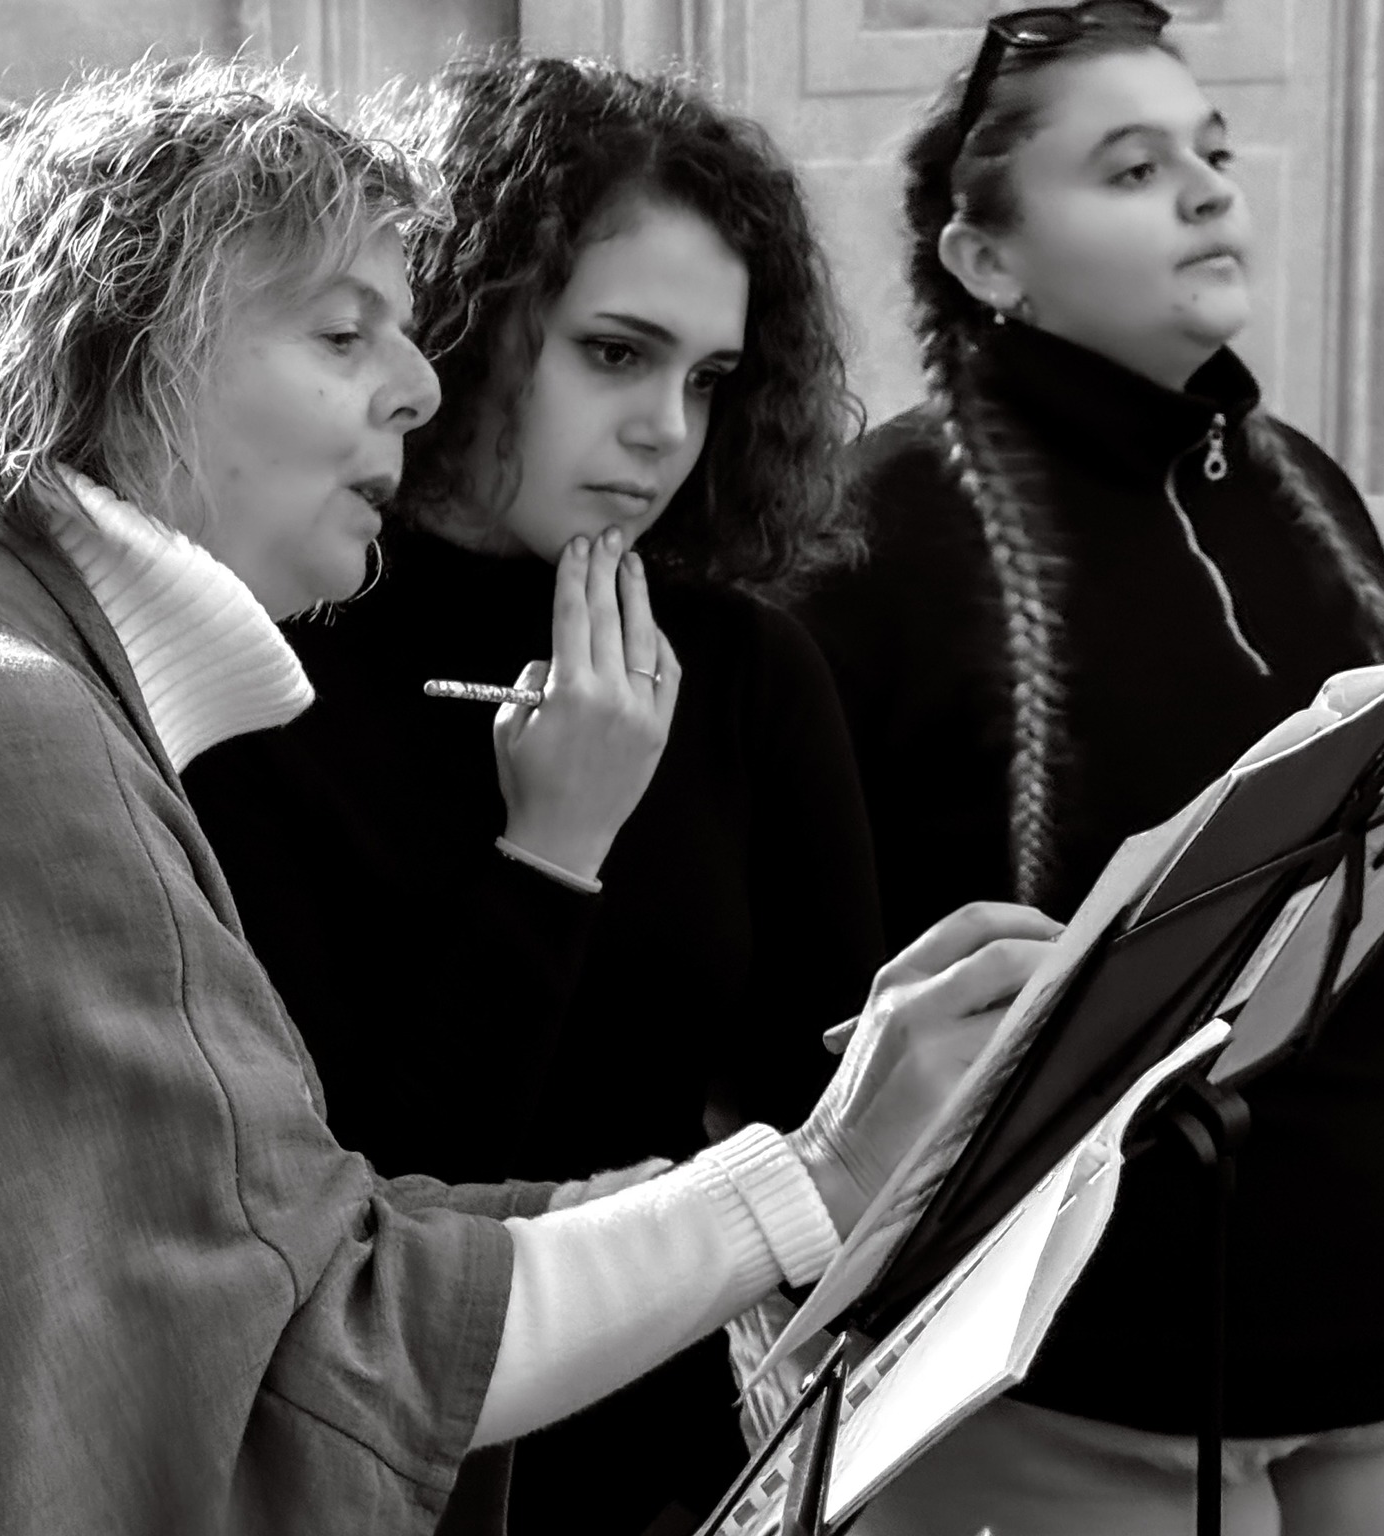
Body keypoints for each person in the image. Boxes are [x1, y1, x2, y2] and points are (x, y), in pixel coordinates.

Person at [0, 57, 1055, 1536]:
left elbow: (286, 1279)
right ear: (143, 353)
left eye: (708, 379)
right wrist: (812, 1170)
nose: (418, 383)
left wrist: (826, 1166)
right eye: (345, 331)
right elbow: (282, 1361)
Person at [795, 5, 1384, 1533]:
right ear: (985, 259)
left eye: (1212, 152)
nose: (1208, 191)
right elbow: (809, 999)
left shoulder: (1301, 481)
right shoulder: (867, 537)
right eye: (1132, 170)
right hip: (1074, 1384)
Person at [181, 55, 883, 1532]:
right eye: (615, 353)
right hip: (372, 1465)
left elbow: (819, 1148)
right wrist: (553, 854)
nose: (668, 428)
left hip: (676, 1464)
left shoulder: (745, 670)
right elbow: (358, 1222)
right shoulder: (264, 653)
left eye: (709, 379)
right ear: (459, 323)